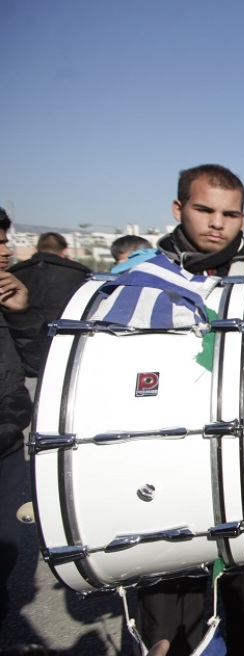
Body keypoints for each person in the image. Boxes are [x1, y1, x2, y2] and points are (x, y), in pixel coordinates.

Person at [117, 164, 244, 656]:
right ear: (178, 209)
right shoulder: (137, 275)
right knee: (172, 605)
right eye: (204, 210)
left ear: (243, 218)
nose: (217, 223)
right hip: (163, 468)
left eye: (229, 214)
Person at [0, 209, 45, 632]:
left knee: (6, 550)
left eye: (5, 240)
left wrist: (22, 312)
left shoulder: (9, 297)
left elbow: (37, 364)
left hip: (9, 443)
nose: (6, 251)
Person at [9, 232, 91, 374]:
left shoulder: (15, 273)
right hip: (67, 338)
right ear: (65, 249)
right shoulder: (78, 272)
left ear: (36, 249)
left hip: (23, 341)